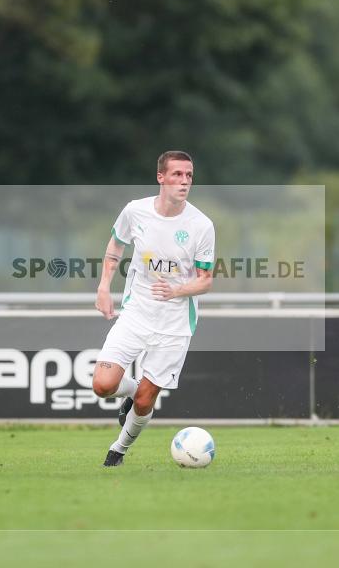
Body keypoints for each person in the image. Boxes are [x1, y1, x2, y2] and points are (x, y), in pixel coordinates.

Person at [91, 150, 215, 467]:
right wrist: (104, 286)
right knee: (103, 385)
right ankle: (132, 393)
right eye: (177, 174)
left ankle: (118, 450)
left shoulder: (201, 225)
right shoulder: (136, 211)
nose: (184, 181)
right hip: (136, 313)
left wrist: (177, 290)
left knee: (147, 399)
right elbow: (116, 244)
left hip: (174, 324)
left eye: (189, 175)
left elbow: (205, 281)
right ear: (161, 177)